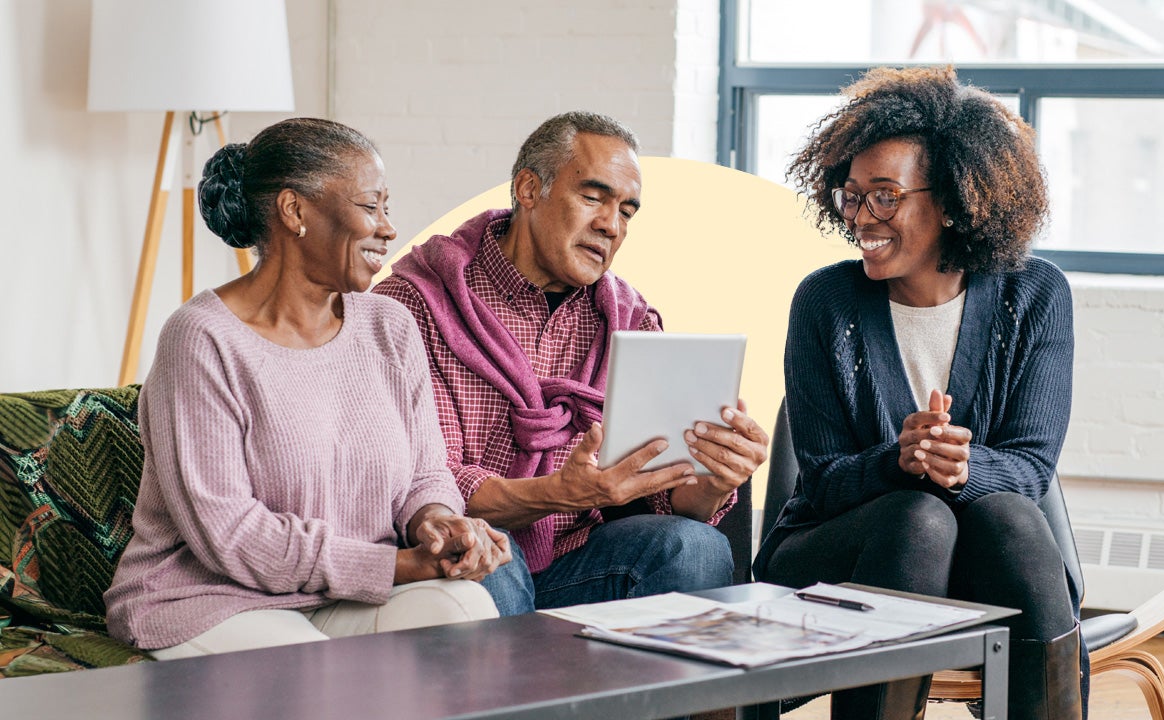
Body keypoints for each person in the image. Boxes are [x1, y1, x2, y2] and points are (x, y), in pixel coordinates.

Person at [105, 118, 510, 658]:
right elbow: (231, 534)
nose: (388, 228)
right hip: (214, 599)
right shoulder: (202, 339)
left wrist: (437, 524)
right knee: (313, 674)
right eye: (371, 206)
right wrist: (393, 565)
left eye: (387, 207)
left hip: (347, 593)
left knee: (469, 614)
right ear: (295, 211)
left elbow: (425, 473)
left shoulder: (389, 326)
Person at [752, 67, 1084, 720]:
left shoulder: (1036, 295)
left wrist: (965, 465)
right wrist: (895, 462)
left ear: (956, 202)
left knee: (1012, 512)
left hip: (987, 560)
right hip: (837, 553)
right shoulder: (826, 301)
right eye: (852, 196)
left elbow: (1032, 466)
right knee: (917, 516)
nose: (861, 219)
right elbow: (817, 480)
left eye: (884, 197)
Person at [373, 111, 768, 615]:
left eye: (627, 211)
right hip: (459, 550)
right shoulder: (415, 305)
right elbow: (421, 484)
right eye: (593, 197)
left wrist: (712, 480)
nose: (611, 225)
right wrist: (559, 492)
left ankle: (641, 698)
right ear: (529, 189)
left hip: (574, 560)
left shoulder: (630, 319)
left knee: (696, 548)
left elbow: (662, 497)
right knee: (492, 557)